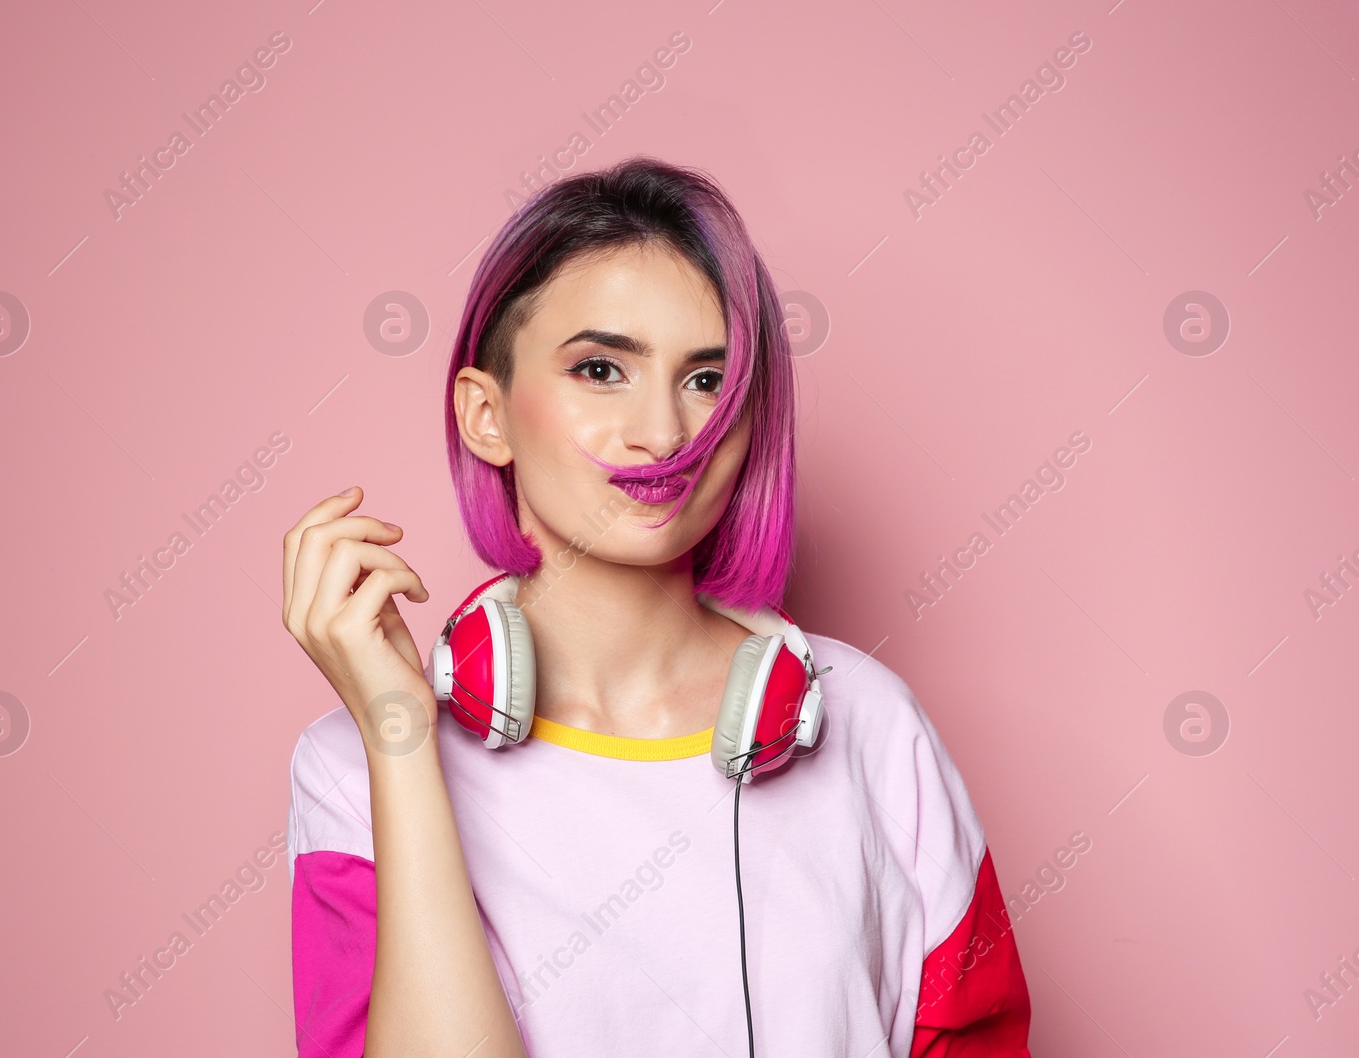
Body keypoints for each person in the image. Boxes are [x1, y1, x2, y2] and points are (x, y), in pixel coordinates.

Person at [279, 156, 1032, 1057]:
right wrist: (400, 735)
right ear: (488, 415)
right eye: (601, 369)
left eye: (707, 380)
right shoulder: (351, 766)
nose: (666, 434)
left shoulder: (872, 722)